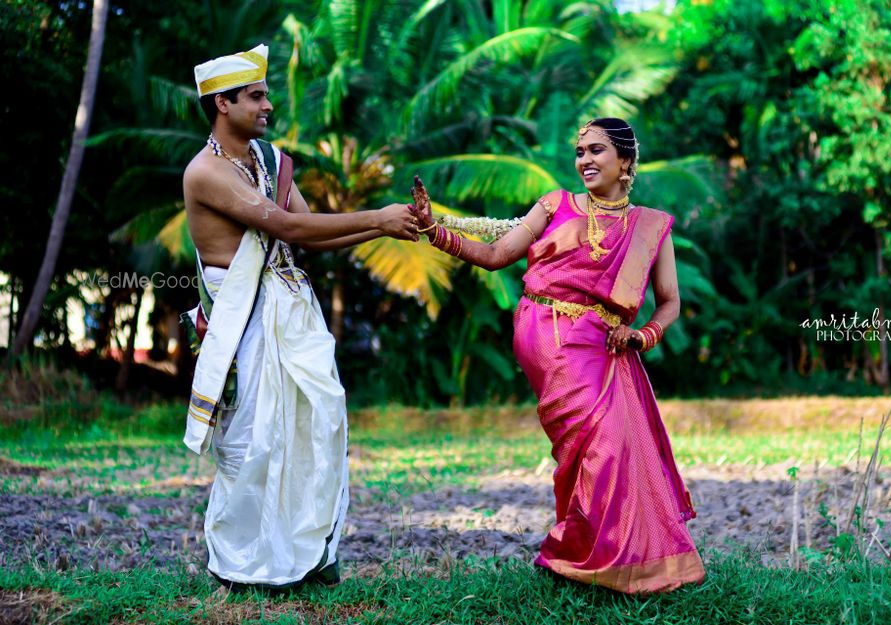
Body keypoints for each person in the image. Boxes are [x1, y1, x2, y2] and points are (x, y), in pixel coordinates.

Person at [408, 118, 705, 593]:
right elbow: (496, 255)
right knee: (599, 442)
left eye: (596, 151)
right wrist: (434, 231)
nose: (584, 160)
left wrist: (644, 335)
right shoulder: (555, 204)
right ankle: (585, 557)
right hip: (545, 331)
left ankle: (607, 558)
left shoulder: (651, 226)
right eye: (579, 151)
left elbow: (670, 301)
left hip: (606, 341)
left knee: (613, 446)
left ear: (625, 161)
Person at [180, 43, 420, 589]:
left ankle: (309, 552)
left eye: (267, 95)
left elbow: (313, 236)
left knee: (318, 424)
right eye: (256, 96)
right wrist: (378, 217)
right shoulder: (206, 173)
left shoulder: (267, 161)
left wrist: (385, 226)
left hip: (290, 308)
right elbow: (289, 230)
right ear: (222, 103)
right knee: (253, 441)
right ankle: (240, 564)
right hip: (244, 319)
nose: (268, 106)